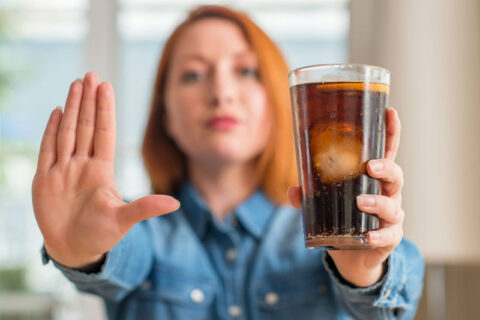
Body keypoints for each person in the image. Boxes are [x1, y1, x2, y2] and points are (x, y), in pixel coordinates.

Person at [31, 5, 424, 320]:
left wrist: (365, 271)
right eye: (193, 75)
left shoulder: (328, 229)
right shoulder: (139, 229)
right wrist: (81, 251)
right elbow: (119, 256)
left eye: (246, 71)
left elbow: (395, 299)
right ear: (164, 111)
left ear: (279, 102)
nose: (221, 92)